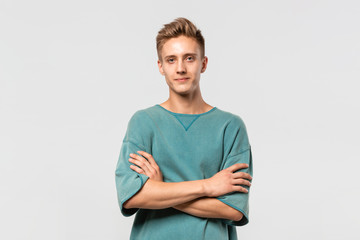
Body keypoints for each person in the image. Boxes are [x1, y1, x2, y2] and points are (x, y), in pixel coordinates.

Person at [115, 17, 253, 240]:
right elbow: (132, 197)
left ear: (203, 63)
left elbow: (233, 210)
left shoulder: (230, 127)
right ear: (160, 66)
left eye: (189, 58)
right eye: (171, 60)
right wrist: (208, 186)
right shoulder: (143, 122)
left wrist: (160, 190)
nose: (180, 68)